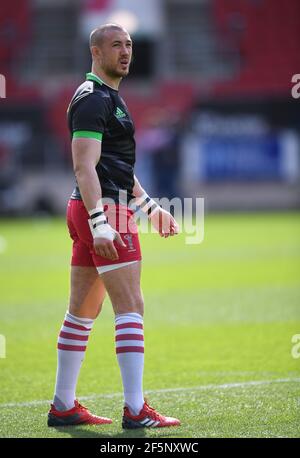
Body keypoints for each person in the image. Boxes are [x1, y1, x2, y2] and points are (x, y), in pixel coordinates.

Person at [47, 24, 180, 429]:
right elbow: (83, 166)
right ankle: (136, 410)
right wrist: (101, 222)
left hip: (101, 207)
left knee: (82, 311)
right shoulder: (92, 99)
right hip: (103, 211)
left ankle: (63, 405)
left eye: (129, 45)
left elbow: (114, 166)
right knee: (132, 306)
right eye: (116, 45)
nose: (125, 52)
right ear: (95, 51)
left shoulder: (109, 98)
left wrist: (149, 205)